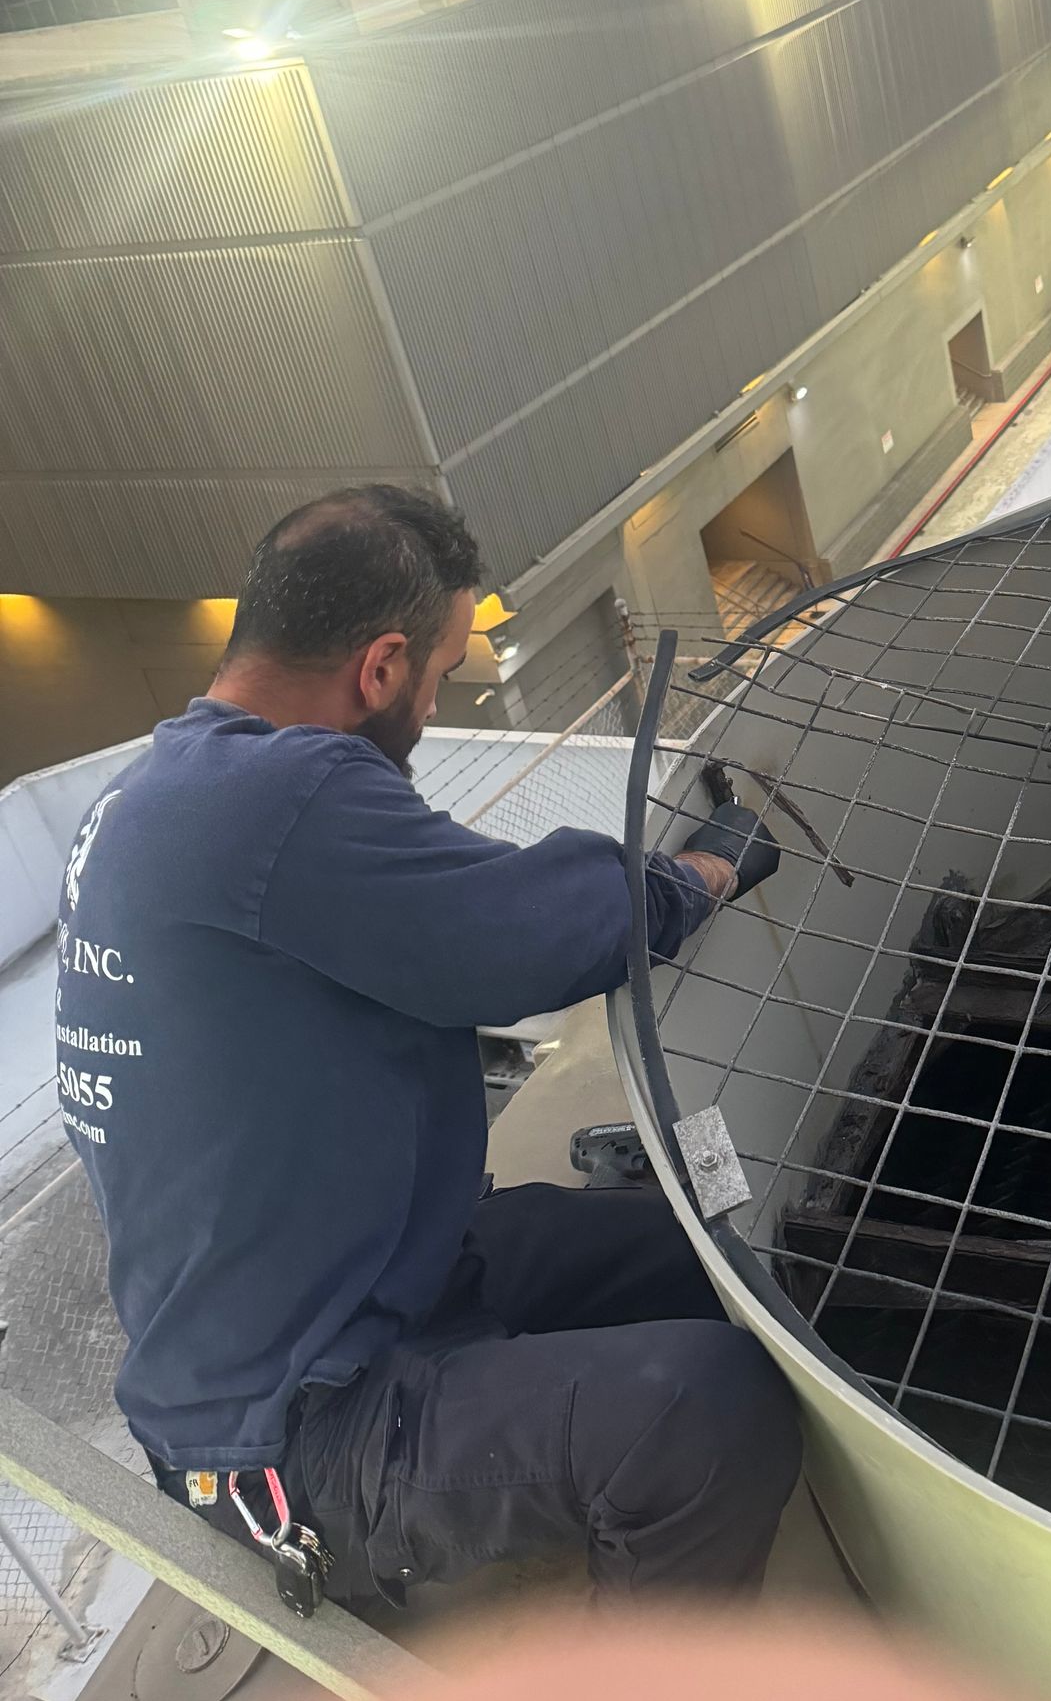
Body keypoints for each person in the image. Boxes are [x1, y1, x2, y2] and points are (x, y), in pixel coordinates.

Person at [54, 483, 800, 1609]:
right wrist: (700, 873)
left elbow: (446, 914)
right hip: (297, 1422)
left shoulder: (166, 794)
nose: (434, 698)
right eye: (444, 670)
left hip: (372, 1281)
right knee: (704, 1406)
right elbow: (521, 937)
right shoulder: (282, 794)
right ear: (382, 666)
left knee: (714, 1249)